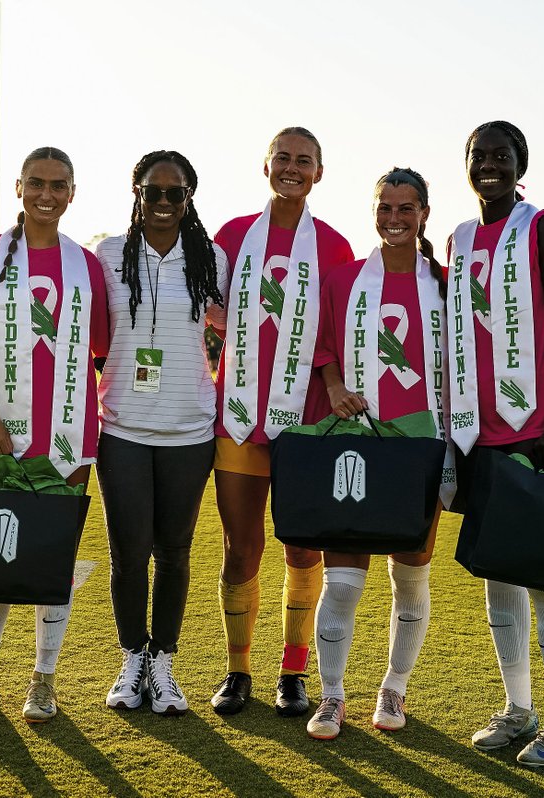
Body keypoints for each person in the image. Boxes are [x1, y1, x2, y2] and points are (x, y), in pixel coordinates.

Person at [446, 121, 544, 766]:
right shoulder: (460, 239)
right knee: (497, 570)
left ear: (519, 165)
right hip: (478, 432)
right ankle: (518, 708)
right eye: (479, 156)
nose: (489, 165)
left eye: (501, 157)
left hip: (536, 430)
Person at [0, 146, 109, 726]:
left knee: (50, 555)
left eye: (59, 185)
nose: (47, 194)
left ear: (72, 192)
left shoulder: (86, 265)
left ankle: (43, 681)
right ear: (18, 188)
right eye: (36, 183)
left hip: (68, 434)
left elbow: (103, 347)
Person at [210, 127, 355, 717]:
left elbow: (340, 331)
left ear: (319, 172)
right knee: (240, 549)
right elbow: (202, 305)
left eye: (304, 161)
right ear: (264, 166)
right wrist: (222, 321)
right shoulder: (231, 236)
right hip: (239, 416)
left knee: (301, 549)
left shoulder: (336, 246)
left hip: (306, 421)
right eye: (282, 159)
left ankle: (292, 672)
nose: (292, 168)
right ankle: (238, 670)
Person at [306, 168, 453, 740]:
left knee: (409, 579)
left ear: (423, 214)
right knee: (341, 582)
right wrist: (337, 386)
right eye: (385, 208)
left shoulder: (443, 284)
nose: (394, 219)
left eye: (406, 208)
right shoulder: (343, 280)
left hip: (419, 448)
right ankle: (332, 695)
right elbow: (321, 348)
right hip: (354, 444)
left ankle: (394, 686)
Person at [95, 151, 228, 715]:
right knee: (129, 554)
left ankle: (164, 662)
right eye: (155, 192)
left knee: (174, 552)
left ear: (190, 198)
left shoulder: (212, 257)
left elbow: (233, 325)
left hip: (188, 429)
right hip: (122, 426)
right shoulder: (106, 254)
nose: (165, 204)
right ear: (137, 193)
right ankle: (131, 660)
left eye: (177, 194)